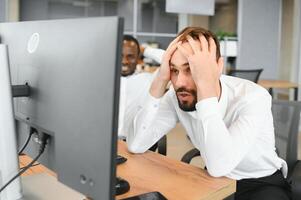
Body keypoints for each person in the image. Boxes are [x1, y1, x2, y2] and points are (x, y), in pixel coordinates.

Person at [126, 27, 291, 200]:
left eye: (191, 69)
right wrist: (160, 80)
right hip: (215, 180)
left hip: (261, 182)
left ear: (218, 67)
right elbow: (136, 144)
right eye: (174, 70)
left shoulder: (253, 97)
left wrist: (205, 87)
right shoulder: (178, 95)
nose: (179, 82)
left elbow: (220, 165)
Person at [118, 35, 164, 138]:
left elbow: (169, 60)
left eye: (130, 56)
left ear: (138, 57)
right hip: (104, 141)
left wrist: (145, 50)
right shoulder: (104, 80)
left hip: (132, 144)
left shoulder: (148, 80)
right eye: (120, 55)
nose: (124, 61)